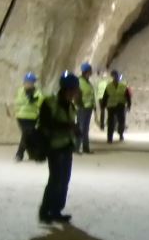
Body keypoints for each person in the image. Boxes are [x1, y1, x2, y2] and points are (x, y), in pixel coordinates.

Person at [37, 71, 80, 224]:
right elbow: (46, 124)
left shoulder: (70, 105)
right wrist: (68, 127)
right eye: (74, 90)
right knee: (55, 180)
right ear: (67, 89)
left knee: (64, 180)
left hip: (67, 147)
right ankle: (45, 211)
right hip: (54, 148)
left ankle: (56, 210)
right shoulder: (50, 103)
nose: (76, 93)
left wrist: (76, 131)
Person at [13, 72, 43, 162]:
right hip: (21, 117)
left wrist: (35, 100)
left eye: (30, 82)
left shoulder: (38, 93)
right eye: (27, 82)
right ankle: (20, 154)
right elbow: (18, 102)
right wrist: (28, 99)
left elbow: (41, 103)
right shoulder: (20, 91)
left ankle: (30, 153)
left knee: (27, 135)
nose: (28, 84)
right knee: (26, 134)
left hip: (32, 117)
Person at [102, 70, 131, 143]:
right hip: (111, 106)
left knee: (121, 121)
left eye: (116, 77)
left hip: (120, 105)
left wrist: (129, 105)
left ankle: (120, 134)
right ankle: (109, 138)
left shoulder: (123, 86)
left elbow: (128, 96)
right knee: (110, 122)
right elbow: (105, 96)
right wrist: (103, 105)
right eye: (113, 77)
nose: (115, 78)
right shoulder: (109, 86)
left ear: (118, 77)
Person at [76, 62, 96, 154]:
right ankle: (76, 147)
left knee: (85, 128)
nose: (91, 72)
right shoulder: (80, 82)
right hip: (82, 108)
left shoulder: (87, 82)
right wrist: (80, 105)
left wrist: (93, 105)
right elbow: (77, 95)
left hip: (88, 108)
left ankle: (85, 147)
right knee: (81, 127)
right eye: (90, 71)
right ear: (86, 71)